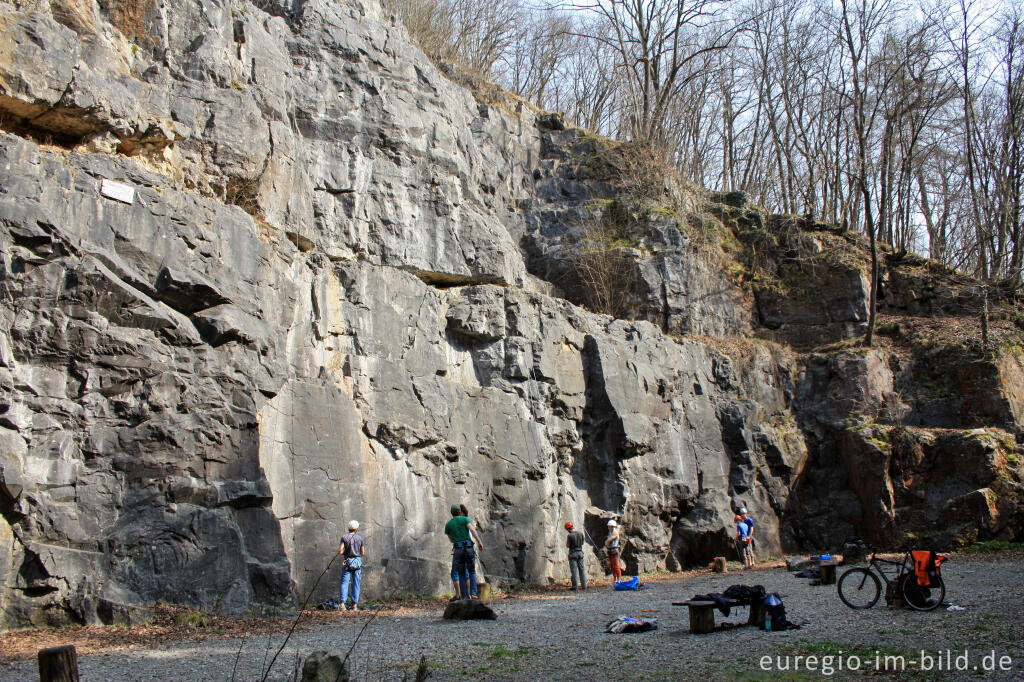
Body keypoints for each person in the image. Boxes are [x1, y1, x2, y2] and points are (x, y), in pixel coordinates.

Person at [445, 503, 483, 601]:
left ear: (451, 513)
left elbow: (451, 539)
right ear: (460, 511)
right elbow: (472, 530)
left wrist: (458, 539)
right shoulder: (465, 519)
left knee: (461, 573)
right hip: (469, 547)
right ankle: (473, 593)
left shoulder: (448, 524)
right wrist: (479, 541)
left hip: (458, 549)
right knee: (472, 571)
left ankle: (465, 596)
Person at [339, 520, 365, 611]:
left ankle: (342, 603)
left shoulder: (344, 537)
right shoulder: (360, 538)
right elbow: (362, 552)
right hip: (357, 562)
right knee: (356, 583)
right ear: (356, 528)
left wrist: (346, 552)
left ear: (348, 528)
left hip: (348, 561)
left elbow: (340, 551)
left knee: (344, 582)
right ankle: (354, 605)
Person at [565, 522, 587, 591]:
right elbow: (582, 543)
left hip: (573, 554)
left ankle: (575, 586)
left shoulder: (570, 535)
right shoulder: (580, 533)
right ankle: (584, 586)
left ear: (568, 529)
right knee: (582, 569)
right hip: (580, 553)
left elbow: (568, 545)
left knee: (574, 570)